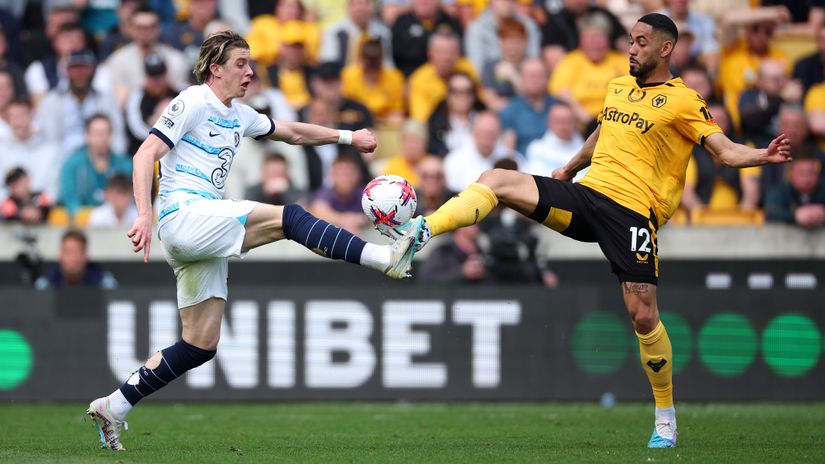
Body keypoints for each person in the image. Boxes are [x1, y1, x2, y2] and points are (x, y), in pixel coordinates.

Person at [393, 13, 791, 448]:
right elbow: (603, 133)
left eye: (641, 42)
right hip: (587, 197)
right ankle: (423, 230)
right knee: (496, 179)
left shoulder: (684, 101)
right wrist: (569, 168)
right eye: (631, 40)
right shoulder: (618, 87)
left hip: (633, 215)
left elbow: (725, 152)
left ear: (665, 49)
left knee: (643, 316)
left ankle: (665, 418)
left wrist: (763, 155)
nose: (631, 49)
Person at [86, 31, 417, 451]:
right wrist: (144, 214)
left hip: (199, 228)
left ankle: (113, 405)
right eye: (240, 63)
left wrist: (348, 137)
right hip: (183, 215)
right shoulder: (192, 100)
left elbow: (292, 132)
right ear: (215, 68)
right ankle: (384, 257)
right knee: (289, 217)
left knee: (199, 344)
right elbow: (144, 153)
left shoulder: (240, 115)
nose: (250, 71)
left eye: (251, 63)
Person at [58, 113, 132, 217]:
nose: (101, 137)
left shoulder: (126, 165)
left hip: (118, 219)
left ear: (111, 135)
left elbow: (132, 199)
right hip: (83, 220)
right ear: (87, 135)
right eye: (96, 133)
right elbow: (70, 199)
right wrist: (88, 216)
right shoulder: (71, 165)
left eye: (105, 132)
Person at [34, 229, 118, 289]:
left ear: (86, 256)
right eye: (68, 252)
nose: (73, 258)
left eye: (78, 253)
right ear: (60, 255)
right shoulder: (45, 286)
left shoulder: (104, 284)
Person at [764, 151, 825, 228]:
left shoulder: (822, 189)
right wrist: (795, 215)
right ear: (791, 174)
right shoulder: (780, 191)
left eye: (811, 172)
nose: (806, 178)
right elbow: (770, 213)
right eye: (801, 173)